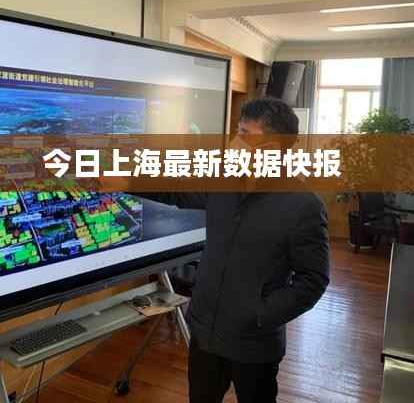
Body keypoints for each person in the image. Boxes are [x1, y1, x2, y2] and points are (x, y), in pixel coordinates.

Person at [135, 97, 330, 403]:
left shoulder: (303, 205)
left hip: (254, 344)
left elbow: (313, 279)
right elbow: (174, 189)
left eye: (244, 134)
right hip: (205, 333)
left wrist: (259, 314)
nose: (233, 143)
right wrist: (125, 180)